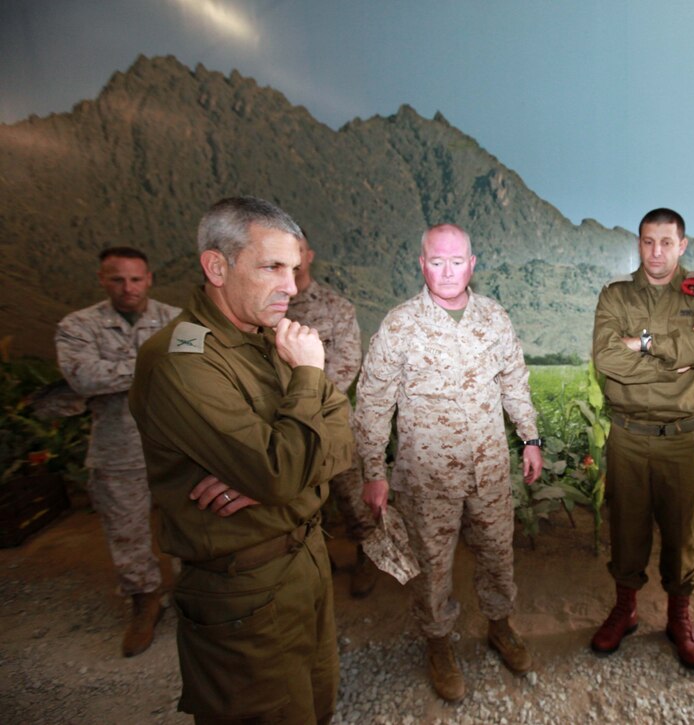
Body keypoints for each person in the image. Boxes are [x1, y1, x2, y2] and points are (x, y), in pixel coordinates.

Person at [129, 196, 354, 724]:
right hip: (243, 589)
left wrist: (272, 474)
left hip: (306, 563)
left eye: (295, 269)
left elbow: (342, 439)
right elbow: (279, 472)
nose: (292, 287)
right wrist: (307, 379)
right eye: (272, 267)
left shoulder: (265, 340)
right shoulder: (180, 361)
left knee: (316, 704)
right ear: (216, 266)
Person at [353, 223, 543, 703]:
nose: (447, 271)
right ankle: (439, 645)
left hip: (489, 472)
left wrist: (530, 438)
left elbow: (514, 383)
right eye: (436, 261)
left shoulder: (494, 319)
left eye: (457, 261)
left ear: (472, 264)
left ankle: (501, 626)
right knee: (432, 567)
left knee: (499, 554)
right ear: (422, 264)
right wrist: (373, 471)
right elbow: (373, 402)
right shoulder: (400, 325)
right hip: (426, 479)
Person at [590, 208, 694, 670]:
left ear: (682, 245)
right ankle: (625, 610)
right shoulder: (616, 295)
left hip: (686, 438)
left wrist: (642, 343)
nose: (656, 252)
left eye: (666, 242)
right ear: (639, 242)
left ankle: (679, 619)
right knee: (626, 525)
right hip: (629, 436)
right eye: (648, 241)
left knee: (686, 530)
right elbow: (607, 361)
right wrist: (674, 351)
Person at [55, 246, 180, 657]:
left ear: (149, 279)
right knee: (126, 533)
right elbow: (84, 378)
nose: (128, 288)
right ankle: (145, 601)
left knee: (190, 525)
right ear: (102, 280)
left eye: (136, 279)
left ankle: (193, 597)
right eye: (117, 279)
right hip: (117, 449)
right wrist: (154, 365)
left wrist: (124, 372)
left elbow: (199, 370)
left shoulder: (180, 322)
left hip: (177, 448)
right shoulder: (77, 326)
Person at [288, 231, 378, 598]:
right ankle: (314, 562)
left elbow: (347, 364)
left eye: (296, 253)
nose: (290, 263)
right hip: (284, 428)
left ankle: (368, 557)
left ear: (309, 255)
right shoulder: (264, 308)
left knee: (352, 495)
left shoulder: (335, 307)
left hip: (333, 420)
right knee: (296, 499)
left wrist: (303, 399)